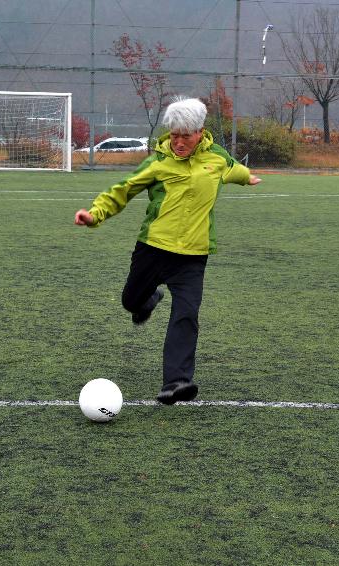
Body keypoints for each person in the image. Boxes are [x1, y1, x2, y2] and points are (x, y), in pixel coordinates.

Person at [74, 97, 261, 404]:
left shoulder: (216, 158)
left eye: (185, 135)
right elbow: (123, 189)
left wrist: (247, 177)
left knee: (187, 314)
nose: (178, 142)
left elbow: (232, 169)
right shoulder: (158, 162)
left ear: (200, 132)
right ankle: (148, 299)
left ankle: (176, 382)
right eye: (174, 135)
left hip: (193, 256)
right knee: (131, 301)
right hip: (153, 249)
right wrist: (95, 214)